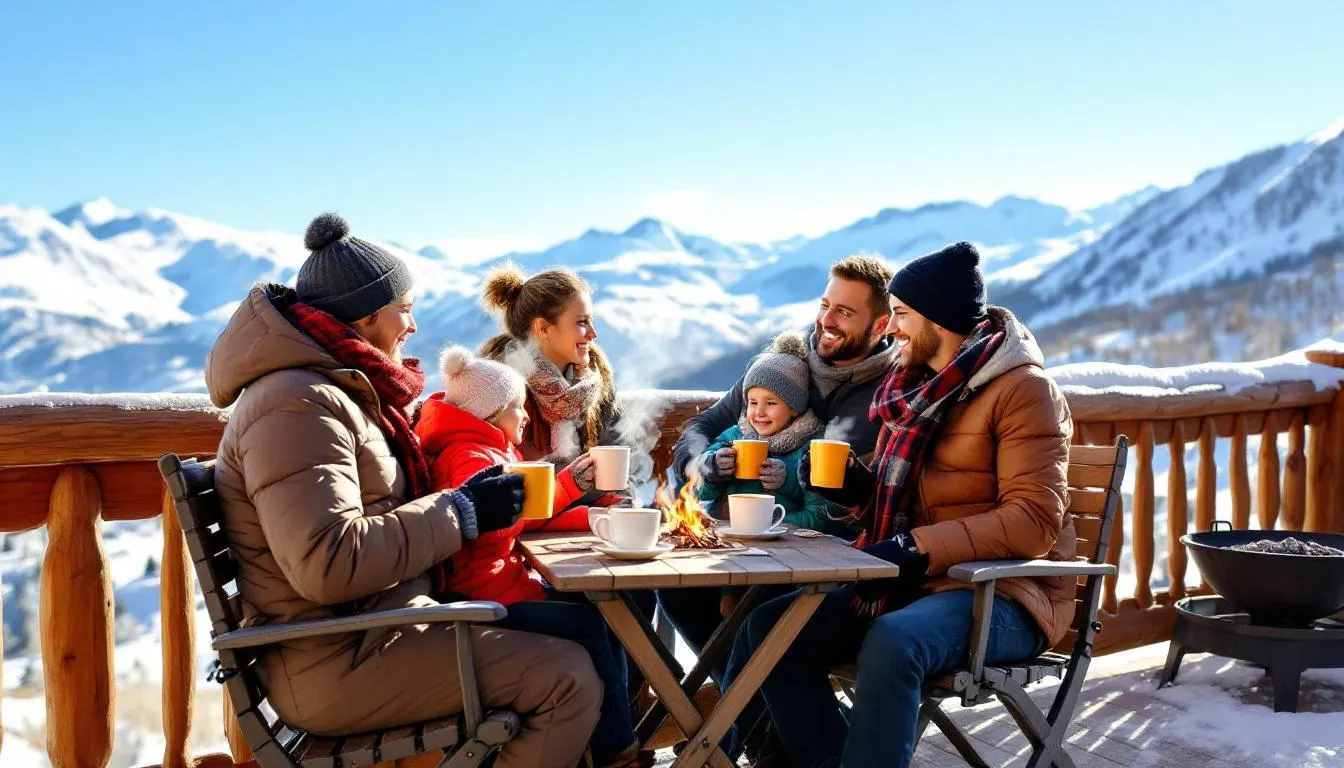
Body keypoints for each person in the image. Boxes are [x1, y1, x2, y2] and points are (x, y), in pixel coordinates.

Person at [205, 213, 600, 768]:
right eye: (405, 309)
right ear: (367, 316)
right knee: (567, 677)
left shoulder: (336, 391)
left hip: (372, 629)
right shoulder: (296, 405)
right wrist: (462, 510)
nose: (412, 326)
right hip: (338, 658)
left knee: (583, 628)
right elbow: (328, 561)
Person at [720, 241, 1077, 768]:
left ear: (939, 319)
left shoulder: (1023, 391)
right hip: (918, 584)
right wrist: (854, 490)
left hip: (1001, 594)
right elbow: (905, 502)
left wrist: (914, 547)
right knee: (770, 629)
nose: (891, 328)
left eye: (903, 314)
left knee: (893, 641)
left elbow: (1034, 522)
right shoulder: (913, 389)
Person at [658, 255, 897, 710]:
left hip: (832, 556)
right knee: (677, 590)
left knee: (764, 608)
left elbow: (866, 490)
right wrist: (703, 468)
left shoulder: (890, 387)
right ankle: (750, 722)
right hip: (754, 546)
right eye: (825, 305)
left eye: (845, 312)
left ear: (881, 324)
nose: (826, 320)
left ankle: (738, 727)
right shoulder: (784, 363)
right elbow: (702, 427)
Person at [416, 345, 644, 768]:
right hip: (481, 599)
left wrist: (586, 509)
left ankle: (610, 734)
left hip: (503, 587)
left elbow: (524, 515)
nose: (525, 416)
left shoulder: (488, 448)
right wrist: (561, 495)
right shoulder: (468, 458)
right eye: (517, 407)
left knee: (603, 613)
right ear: (491, 413)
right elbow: (495, 525)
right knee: (591, 625)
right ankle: (615, 751)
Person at [693, 331, 853, 539]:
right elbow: (701, 492)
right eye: (752, 402)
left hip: (785, 545)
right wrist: (714, 469)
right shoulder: (733, 437)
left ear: (794, 408)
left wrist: (787, 483)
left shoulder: (813, 449)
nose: (759, 412)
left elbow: (820, 517)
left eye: (770, 403)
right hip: (727, 538)